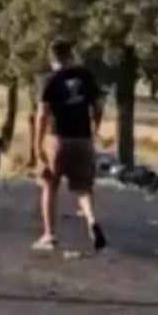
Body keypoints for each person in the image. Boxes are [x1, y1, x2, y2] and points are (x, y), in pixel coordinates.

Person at [33, 40, 107, 252]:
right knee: (83, 188)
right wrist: (95, 128)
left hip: (58, 138)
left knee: (49, 184)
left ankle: (50, 235)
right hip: (83, 139)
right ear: (71, 56)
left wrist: (37, 145)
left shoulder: (49, 81)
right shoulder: (85, 77)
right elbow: (99, 105)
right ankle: (92, 220)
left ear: (52, 58)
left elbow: (42, 114)